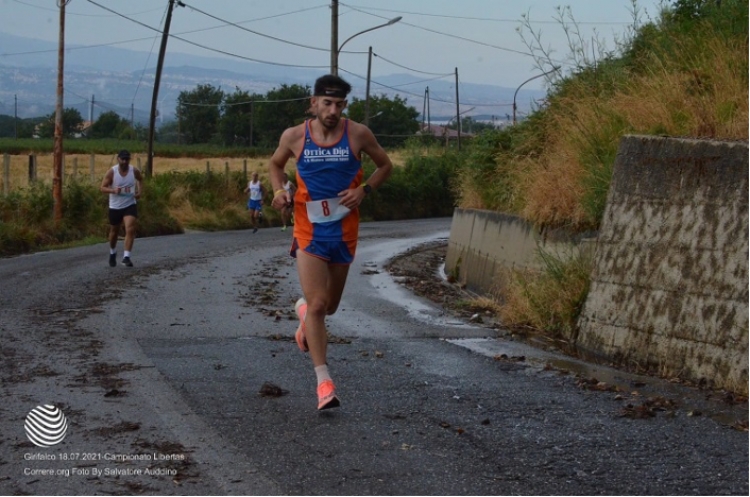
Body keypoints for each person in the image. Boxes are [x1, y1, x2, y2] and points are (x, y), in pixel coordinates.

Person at [269, 74, 393, 410]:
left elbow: (385, 166)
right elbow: (275, 164)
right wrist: (280, 191)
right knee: (321, 304)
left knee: (330, 307)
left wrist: (363, 190)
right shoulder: (295, 136)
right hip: (308, 230)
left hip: (344, 231)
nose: (333, 110)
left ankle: (305, 314)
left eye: (339, 104)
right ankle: (324, 382)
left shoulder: (358, 134)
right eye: (327, 103)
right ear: (314, 104)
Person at [100, 149, 143, 267]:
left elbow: (140, 179)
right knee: (114, 231)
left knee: (130, 229)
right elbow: (102, 188)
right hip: (115, 206)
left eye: (127, 159)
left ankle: (126, 257)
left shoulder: (133, 171)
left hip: (130, 204)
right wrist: (113, 190)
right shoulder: (112, 172)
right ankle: (112, 252)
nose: (124, 162)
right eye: (122, 159)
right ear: (118, 159)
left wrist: (139, 192)